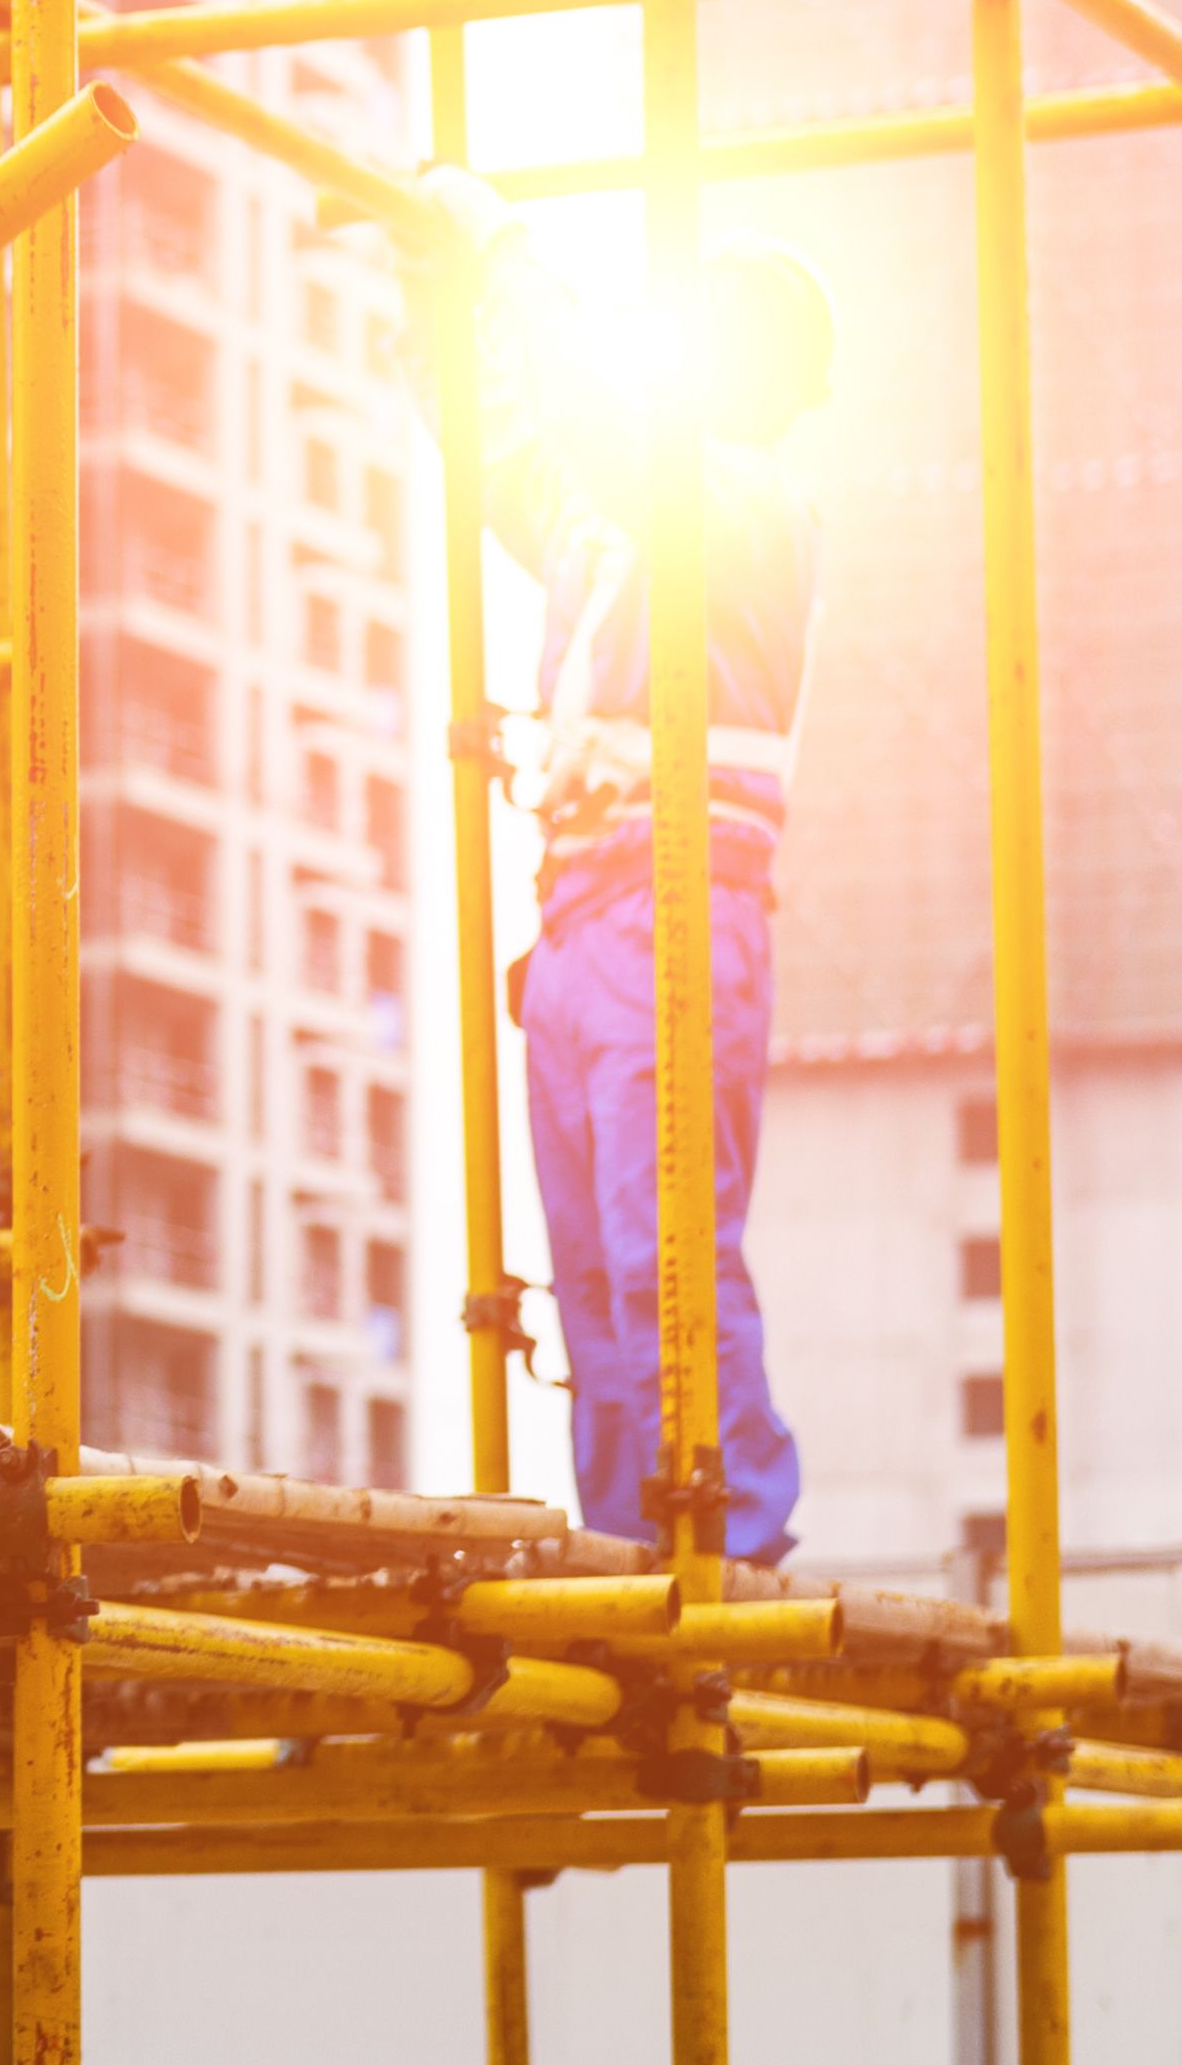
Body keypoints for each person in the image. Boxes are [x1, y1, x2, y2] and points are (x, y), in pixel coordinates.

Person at [414, 170, 828, 1564]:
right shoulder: (627, 522)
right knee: (593, 1264)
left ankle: (728, 1530)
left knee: (665, 1241)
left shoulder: (745, 502)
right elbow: (504, 468)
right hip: (587, 915)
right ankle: (632, 1539)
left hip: (676, 904)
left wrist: (507, 254)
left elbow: (589, 422)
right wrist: (440, 307)